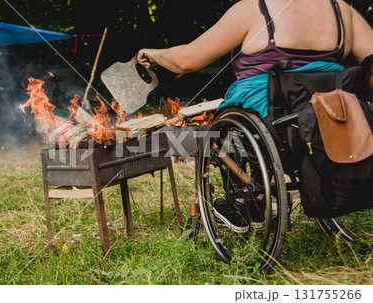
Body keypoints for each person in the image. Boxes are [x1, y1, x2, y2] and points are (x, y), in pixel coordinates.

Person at [137, 0, 373, 233]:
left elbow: (186, 61)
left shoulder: (254, 9)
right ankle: (260, 195)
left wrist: (153, 54)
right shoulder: (341, 11)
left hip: (276, 121)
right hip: (333, 117)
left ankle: (240, 203)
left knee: (226, 122)